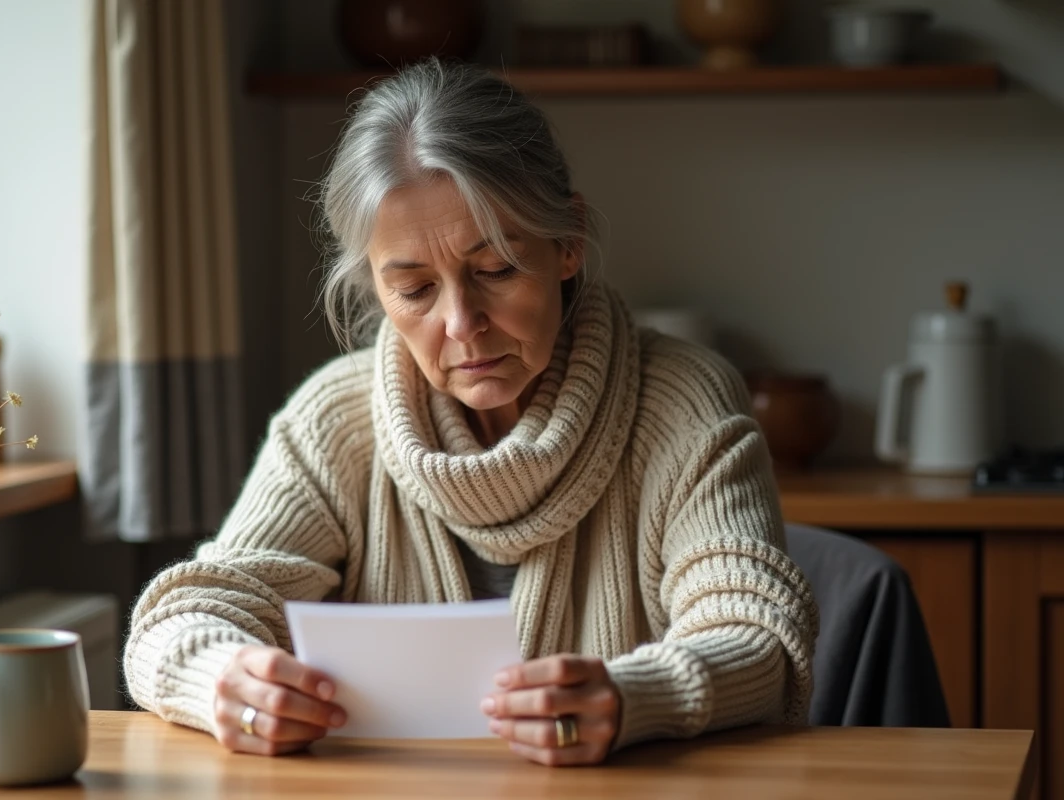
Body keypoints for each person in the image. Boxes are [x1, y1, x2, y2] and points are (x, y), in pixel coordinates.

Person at [124, 59, 817, 767]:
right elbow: (179, 620)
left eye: (496, 271)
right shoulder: (332, 422)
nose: (462, 324)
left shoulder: (684, 403)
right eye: (416, 290)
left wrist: (639, 694)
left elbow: (758, 633)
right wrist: (223, 680)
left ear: (568, 242)